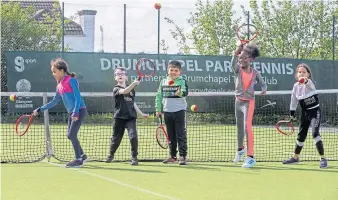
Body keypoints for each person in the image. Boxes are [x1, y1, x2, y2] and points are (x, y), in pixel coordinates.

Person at [33, 58, 87, 168]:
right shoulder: (59, 85)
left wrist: (76, 112)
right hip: (72, 112)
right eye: (52, 72)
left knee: (72, 135)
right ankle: (82, 155)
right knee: (70, 135)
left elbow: (77, 97)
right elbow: (54, 101)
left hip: (79, 110)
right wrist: (40, 109)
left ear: (62, 71)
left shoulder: (71, 80)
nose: (53, 74)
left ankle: (78, 159)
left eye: (55, 71)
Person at [283, 63, 328, 168]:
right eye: (299, 72)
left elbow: (306, 82)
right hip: (305, 114)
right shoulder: (295, 87)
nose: (301, 74)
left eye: (304, 72)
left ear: (308, 74)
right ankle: (295, 158)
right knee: (301, 136)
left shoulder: (310, 83)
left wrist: (304, 80)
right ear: (296, 74)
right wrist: (292, 113)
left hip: (315, 112)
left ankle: (323, 158)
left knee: (315, 134)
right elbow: (293, 101)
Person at [231, 43, 267, 168]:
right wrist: (236, 52)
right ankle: (240, 149)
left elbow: (263, 84)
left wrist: (264, 89)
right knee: (239, 128)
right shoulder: (238, 70)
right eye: (240, 58)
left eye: (244, 57)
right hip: (238, 102)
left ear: (251, 59)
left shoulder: (255, 72)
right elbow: (232, 64)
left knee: (247, 127)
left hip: (249, 102)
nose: (241, 60)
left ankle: (250, 157)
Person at [106, 67, 148, 165]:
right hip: (119, 117)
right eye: (117, 74)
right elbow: (124, 91)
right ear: (115, 77)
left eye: (122, 73)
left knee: (133, 137)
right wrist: (134, 84)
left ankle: (134, 157)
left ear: (126, 77)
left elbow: (132, 103)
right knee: (116, 140)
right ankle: (111, 155)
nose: (120, 75)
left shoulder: (132, 90)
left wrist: (141, 113)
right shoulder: (116, 89)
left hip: (131, 118)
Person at [155, 60, 188, 165]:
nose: (173, 72)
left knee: (180, 134)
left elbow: (185, 91)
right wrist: (158, 109)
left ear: (180, 72)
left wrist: (180, 92)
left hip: (179, 112)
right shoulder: (163, 81)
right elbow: (159, 96)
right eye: (171, 70)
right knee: (170, 136)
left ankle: (182, 156)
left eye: (176, 70)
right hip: (167, 112)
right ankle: (173, 156)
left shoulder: (182, 81)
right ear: (168, 70)